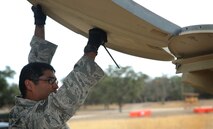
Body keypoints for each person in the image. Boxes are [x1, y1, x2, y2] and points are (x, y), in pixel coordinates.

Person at [9, 4, 107, 129]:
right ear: (29, 85)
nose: (56, 86)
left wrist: (39, 24)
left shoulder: (28, 107)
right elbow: (62, 103)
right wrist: (92, 49)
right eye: (50, 81)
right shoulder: (26, 119)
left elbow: (36, 62)